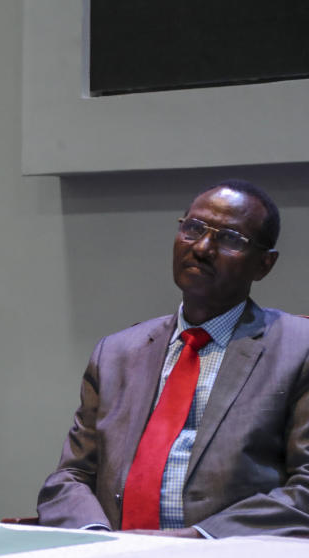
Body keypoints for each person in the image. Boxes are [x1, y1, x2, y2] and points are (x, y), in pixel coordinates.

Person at [37, 180, 309, 538]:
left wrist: (199, 539)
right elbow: (70, 477)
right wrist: (98, 539)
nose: (203, 247)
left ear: (264, 264)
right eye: (193, 229)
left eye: (229, 238)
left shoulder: (298, 349)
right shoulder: (116, 353)